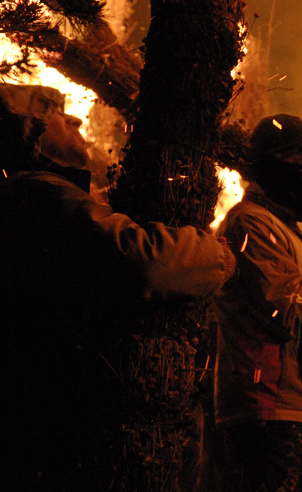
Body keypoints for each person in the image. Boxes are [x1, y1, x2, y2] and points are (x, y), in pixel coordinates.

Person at [0, 84, 237, 490]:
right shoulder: (36, 193)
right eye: (54, 111)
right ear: (29, 131)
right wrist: (216, 255)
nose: (75, 120)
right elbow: (143, 261)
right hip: (51, 438)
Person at [213, 113, 302, 492]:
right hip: (262, 403)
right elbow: (285, 309)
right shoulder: (250, 223)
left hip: (289, 401)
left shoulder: (286, 226)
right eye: (294, 159)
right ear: (264, 164)